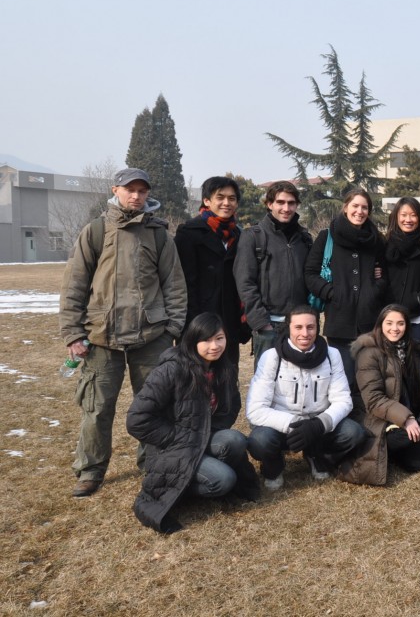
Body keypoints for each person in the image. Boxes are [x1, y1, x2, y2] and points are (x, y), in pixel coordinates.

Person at [59, 167, 186, 497]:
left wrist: (171, 329)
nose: (136, 196)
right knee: (97, 408)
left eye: (142, 191)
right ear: (115, 189)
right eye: (130, 189)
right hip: (102, 338)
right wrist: (73, 333)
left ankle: (154, 462)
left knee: (154, 406)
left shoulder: (159, 234)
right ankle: (90, 470)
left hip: (151, 337)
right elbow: (74, 285)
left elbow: (174, 285)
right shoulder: (96, 231)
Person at [126, 313, 260, 534]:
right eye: (206, 340)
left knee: (235, 439)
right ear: (192, 340)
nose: (214, 346)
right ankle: (181, 487)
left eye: (219, 338)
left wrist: (209, 430)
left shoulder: (223, 367)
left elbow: (231, 406)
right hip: (171, 447)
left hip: (201, 437)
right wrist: (177, 437)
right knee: (224, 480)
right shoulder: (171, 369)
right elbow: (137, 419)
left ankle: (197, 471)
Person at [246, 305, 369, 490]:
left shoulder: (332, 354)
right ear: (289, 328)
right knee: (259, 441)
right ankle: (274, 464)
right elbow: (255, 410)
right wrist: (296, 424)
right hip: (283, 426)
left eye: (310, 327)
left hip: (318, 426)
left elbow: (343, 400)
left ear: (317, 328)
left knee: (354, 433)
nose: (305, 333)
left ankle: (316, 455)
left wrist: (318, 425)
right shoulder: (271, 357)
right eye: (298, 327)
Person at [305, 188, 386, 390]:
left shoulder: (376, 239)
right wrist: (332, 294)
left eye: (365, 207)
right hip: (339, 321)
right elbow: (310, 273)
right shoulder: (327, 237)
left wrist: (374, 291)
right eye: (355, 206)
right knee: (342, 381)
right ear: (345, 207)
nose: (360, 211)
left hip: (369, 322)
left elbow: (386, 273)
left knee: (370, 381)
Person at [234, 180, 313, 369]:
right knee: (267, 385)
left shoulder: (304, 238)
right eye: (280, 202)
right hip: (268, 326)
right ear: (270, 204)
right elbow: (245, 283)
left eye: (291, 203)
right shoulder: (253, 236)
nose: (286, 208)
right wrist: (261, 323)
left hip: (299, 326)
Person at [351, 304, 420, 484]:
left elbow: (417, 389)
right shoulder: (368, 353)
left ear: (407, 326)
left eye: (400, 323)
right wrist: (407, 419)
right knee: (409, 440)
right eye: (389, 323)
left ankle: (398, 448)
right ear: (380, 325)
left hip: (403, 413)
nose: (395, 329)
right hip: (376, 417)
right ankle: (383, 446)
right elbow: (374, 400)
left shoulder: (410, 349)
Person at [175, 176, 246, 369]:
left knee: (228, 380)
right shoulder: (188, 233)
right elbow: (183, 284)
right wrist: (191, 324)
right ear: (207, 200)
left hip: (228, 322)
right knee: (195, 380)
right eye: (220, 197)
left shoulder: (239, 235)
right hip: (197, 322)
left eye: (232, 198)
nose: (226, 203)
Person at [383, 197, 420, 350]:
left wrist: (417, 299)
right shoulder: (384, 244)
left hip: (418, 317)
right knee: (390, 367)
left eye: (413, 215)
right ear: (396, 216)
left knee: (417, 368)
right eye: (404, 215)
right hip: (389, 317)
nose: (408, 220)